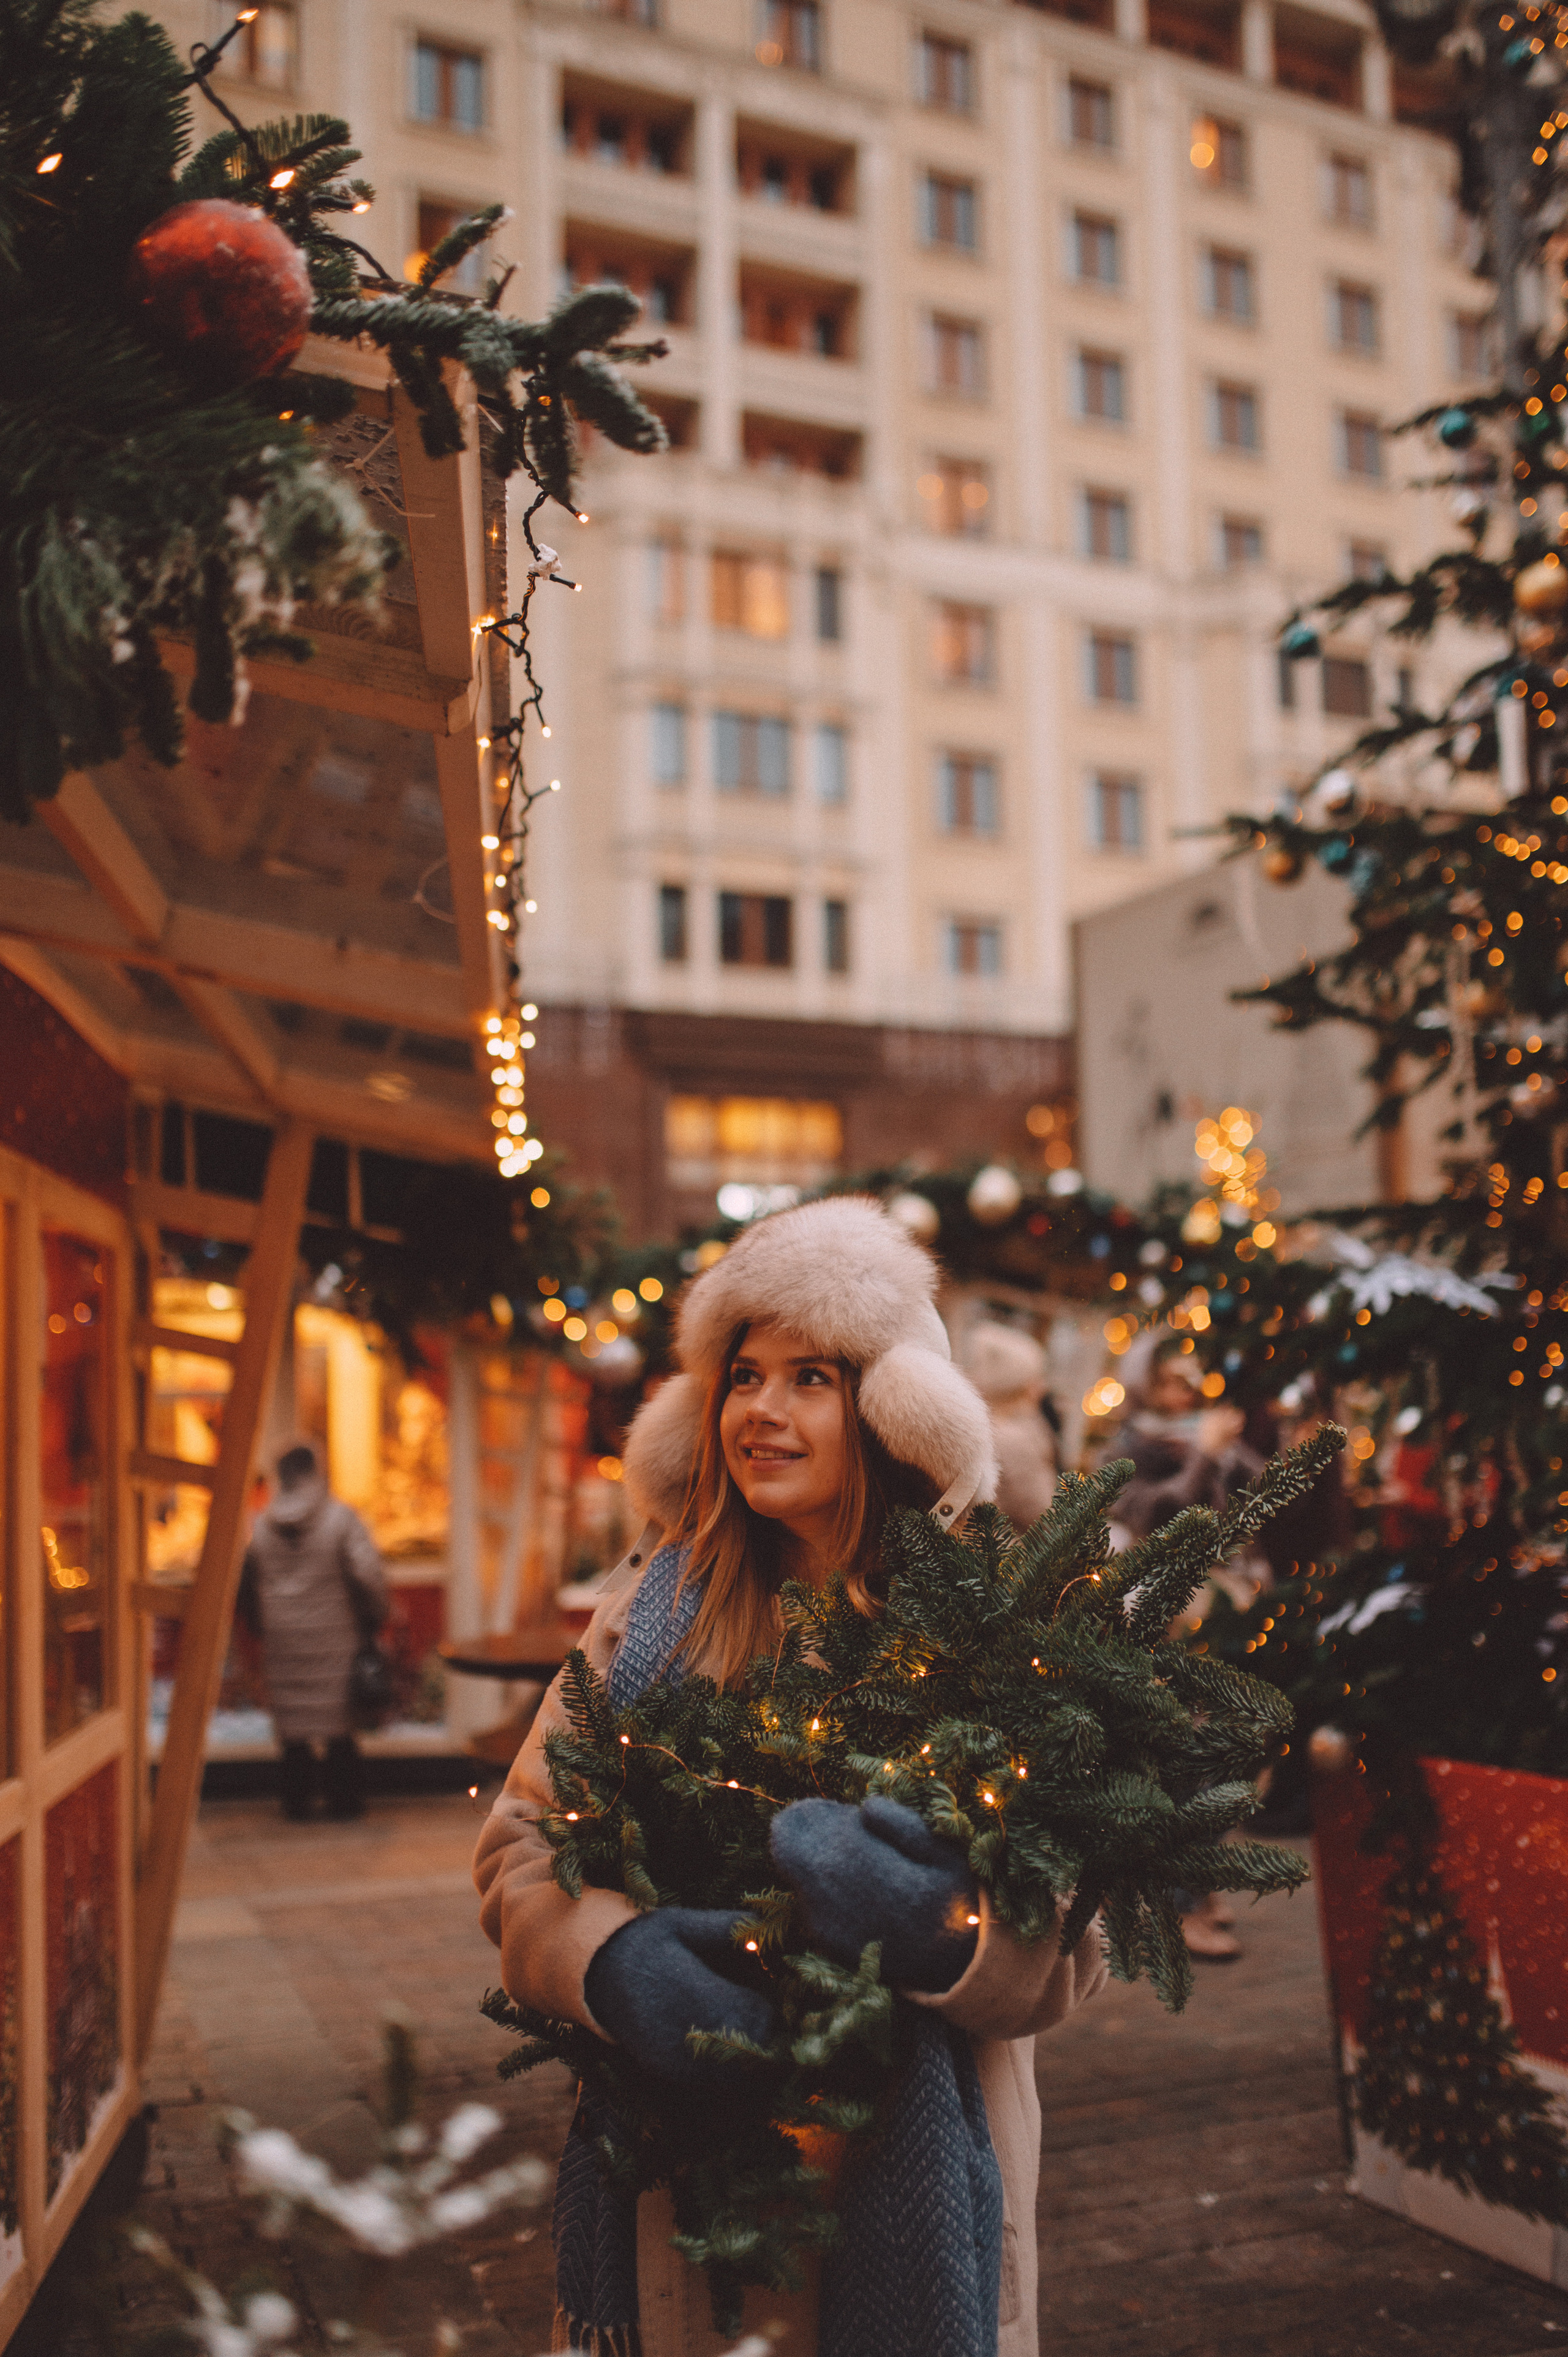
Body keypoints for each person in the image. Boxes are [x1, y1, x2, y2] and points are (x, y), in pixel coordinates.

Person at [475, 1198, 1107, 2357]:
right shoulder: (648, 1612)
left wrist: (944, 1931)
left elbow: (1069, 1944)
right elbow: (519, 1843)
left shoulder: (986, 1629)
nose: (761, 1411)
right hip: (685, 2185)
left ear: (886, 1409)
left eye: (809, 1376)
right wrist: (613, 1960)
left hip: (918, 2178)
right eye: (743, 1374)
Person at [1108, 1336, 1267, 1962]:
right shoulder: (1126, 1449)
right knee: (1185, 1755)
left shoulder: (1197, 1433)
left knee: (1233, 1747)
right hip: (1164, 1620)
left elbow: (1262, 1484)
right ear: (1144, 1382)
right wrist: (1202, 1457)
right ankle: (1181, 1901)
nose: (1182, 1392)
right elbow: (1161, 1513)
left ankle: (1194, 1882)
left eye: (1189, 1379)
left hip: (1223, 1612)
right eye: (1168, 1380)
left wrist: (1227, 1445)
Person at [240, 1441, 388, 1822]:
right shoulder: (341, 1520)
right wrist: (375, 1618)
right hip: (336, 1642)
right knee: (340, 1732)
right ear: (316, 1472)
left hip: (281, 1642)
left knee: (294, 1733)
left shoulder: (259, 1526)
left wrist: (261, 1627)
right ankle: (345, 1803)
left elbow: (246, 1587)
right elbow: (368, 1577)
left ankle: (297, 1803)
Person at [960, 1320, 1058, 1530]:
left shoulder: (988, 1426)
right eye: (1035, 1379)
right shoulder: (1013, 1438)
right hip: (1015, 1554)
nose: (1042, 1387)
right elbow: (1045, 1515)